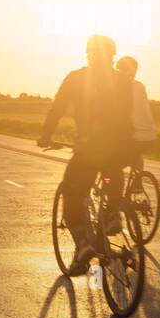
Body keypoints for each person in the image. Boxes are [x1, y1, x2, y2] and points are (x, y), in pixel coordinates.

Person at [37, 35, 133, 276]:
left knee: (72, 192)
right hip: (117, 147)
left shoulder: (76, 77)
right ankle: (112, 214)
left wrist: (46, 135)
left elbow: (57, 107)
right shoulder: (122, 80)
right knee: (112, 175)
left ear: (88, 54)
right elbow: (126, 115)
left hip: (88, 148)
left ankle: (83, 244)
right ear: (113, 55)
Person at [116, 56, 155, 173]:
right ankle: (137, 181)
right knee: (137, 154)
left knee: (112, 165)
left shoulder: (118, 87)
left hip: (132, 136)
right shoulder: (140, 86)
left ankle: (112, 188)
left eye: (119, 70)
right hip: (150, 137)